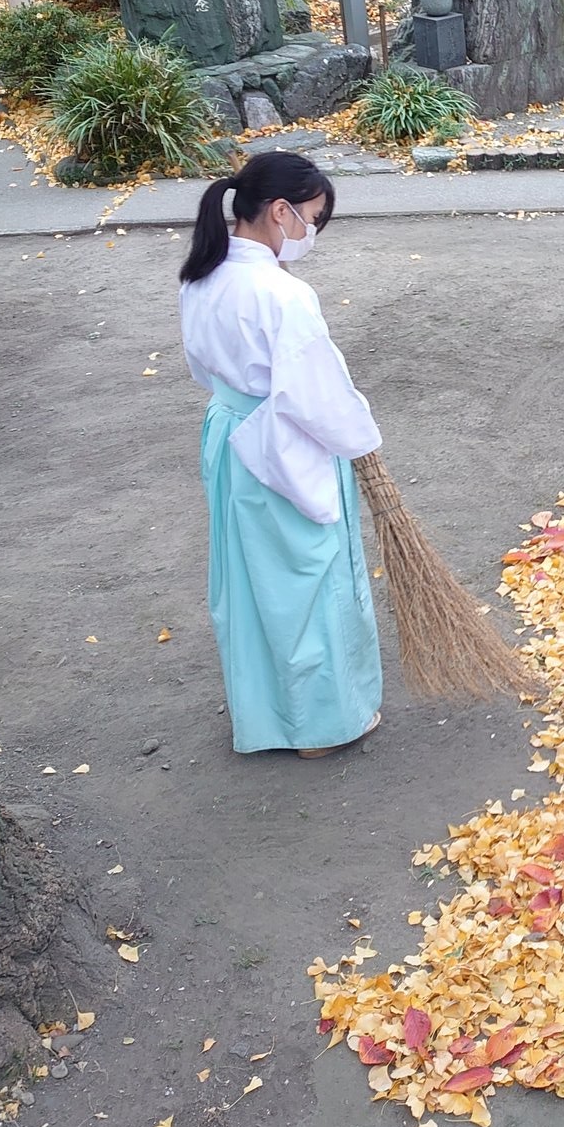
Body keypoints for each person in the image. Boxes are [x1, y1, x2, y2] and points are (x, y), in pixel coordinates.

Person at [178, 151, 383, 758]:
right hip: (281, 446)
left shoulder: (200, 275)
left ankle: (264, 713)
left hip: (229, 437)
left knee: (250, 580)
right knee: (308, 578)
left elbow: (200, 368)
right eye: (311, 219)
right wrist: (362, 442)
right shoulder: (282, 294)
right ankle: (319, 726)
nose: (310, 233)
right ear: (279, 211)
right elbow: (315, 395)